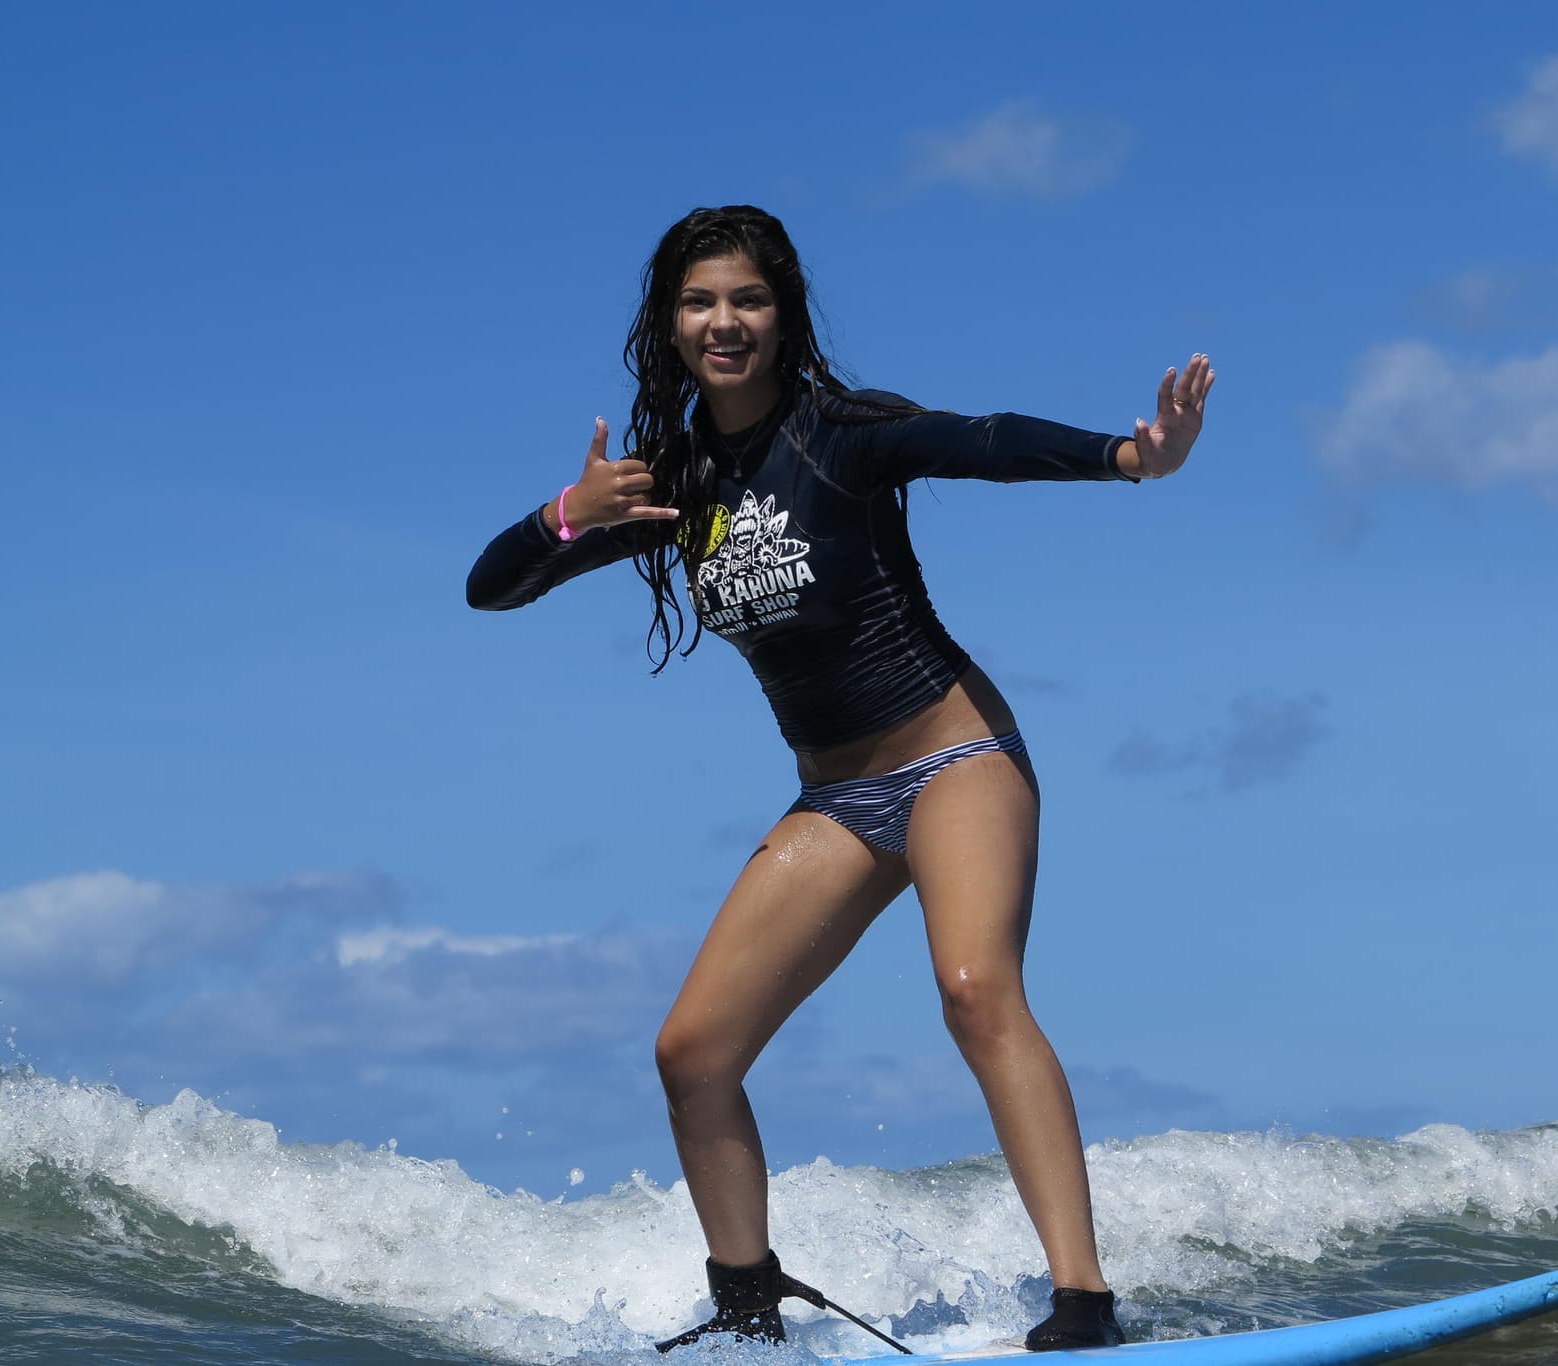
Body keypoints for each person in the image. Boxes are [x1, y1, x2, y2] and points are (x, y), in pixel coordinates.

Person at [466, 205, 1213, 1352]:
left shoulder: (839, 434)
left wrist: (1128, 458)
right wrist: (568, 516)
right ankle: (748, 1311)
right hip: (835, 802)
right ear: (669, 324)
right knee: (692, 1054)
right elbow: (492, 588)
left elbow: (984, 440)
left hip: (953, 757)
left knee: (974, 990)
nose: (725, 321)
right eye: (701, 301)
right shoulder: (665, 486)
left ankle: (1083, 1306)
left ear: (782, 315)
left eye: (748, 299)